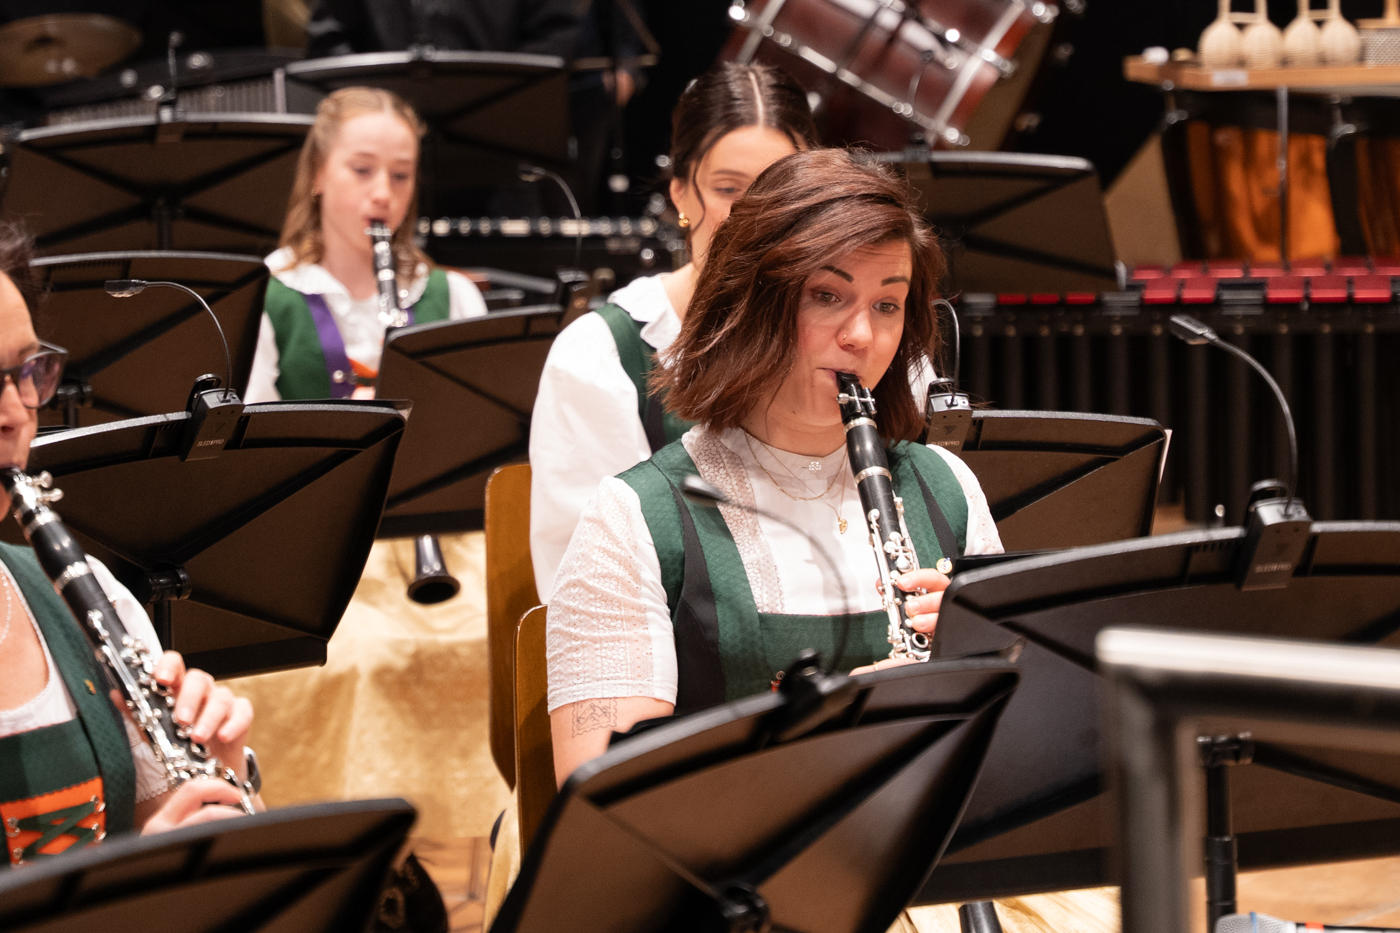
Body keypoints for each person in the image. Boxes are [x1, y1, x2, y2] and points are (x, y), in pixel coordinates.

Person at [544, 149, 1003, 784]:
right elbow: (601, 797)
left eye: (887, 304)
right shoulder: (632, 520)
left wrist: (981, 656)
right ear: (748, 302)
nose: (861, 337)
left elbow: (1021, 749)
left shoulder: (948, 488)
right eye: (826, 295)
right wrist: (845, 726)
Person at [0, 223, 263, 866]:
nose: (14, 414)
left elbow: (181, 858)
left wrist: (218, 780)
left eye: (25, 372)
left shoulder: (88, 598)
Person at [528, 62, 820, 601]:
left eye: (778, 188)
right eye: (728, 188)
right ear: (681, 193)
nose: (753, 216)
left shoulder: (859, 332)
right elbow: (589, 588)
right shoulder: (602, 355)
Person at [245, 87, 487, 403]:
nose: (383, 193)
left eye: (400, 175)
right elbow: (247, 430)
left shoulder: (454, 296)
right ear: (318, 173)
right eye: (362, 170)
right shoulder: (262, 296)